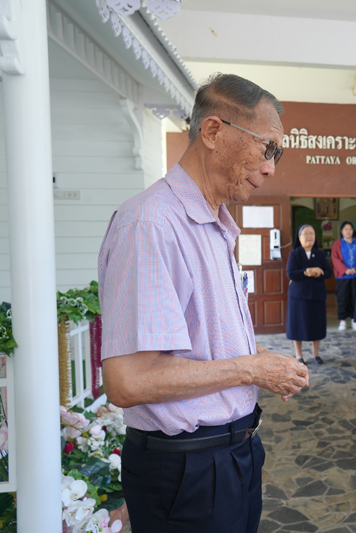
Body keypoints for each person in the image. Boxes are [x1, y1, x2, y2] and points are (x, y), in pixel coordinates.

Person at [98, 73, 309, 532]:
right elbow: (127, 381)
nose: (272, 167)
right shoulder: (152, 224)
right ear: (213, 132)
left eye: (278, 154)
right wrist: (252, 368)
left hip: (225, 457)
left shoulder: (213, 223)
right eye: (267, 148)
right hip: (190, 468)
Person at [286, 225, 333, 364]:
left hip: (316, 295)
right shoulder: (294, 254)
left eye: (311, 233)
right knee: (297, 326)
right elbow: (290, 273)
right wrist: (306, 271)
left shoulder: (320, 254)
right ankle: (299, 355)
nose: (309, 236)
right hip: (298, 297)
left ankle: (315, 354)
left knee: (316, 325)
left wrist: (319, 272)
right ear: (299, 238)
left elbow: (329, 272)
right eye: (305, 234)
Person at [332, 221, 356, 331]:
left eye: (350, 229)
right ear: (342, 231)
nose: (348, 231)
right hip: (342, 277)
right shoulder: (337, 244)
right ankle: (343, 321)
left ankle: (354, 320)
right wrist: (345, 270)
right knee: (342, 299)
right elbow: (335, 259)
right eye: (346, 229)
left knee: (355, 298)